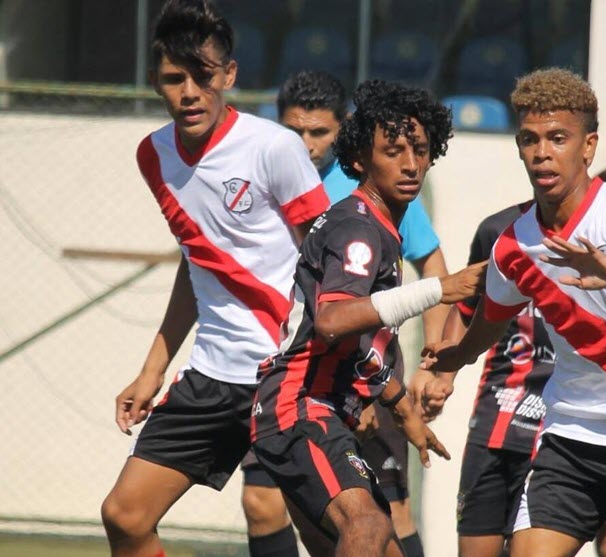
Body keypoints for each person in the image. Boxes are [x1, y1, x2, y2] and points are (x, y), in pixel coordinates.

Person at [421, 68, 606, 557]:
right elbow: (492, 319)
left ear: (588, 146)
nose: (542, 152)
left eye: (558, 138)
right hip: (573, 438)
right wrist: (456, 358)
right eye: (530, 139)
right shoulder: (513, 245)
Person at [99, 2, 330, 557]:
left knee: (337, 535)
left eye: (203, 76)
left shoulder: (273, 147)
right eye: (173, 78)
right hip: (211, 376)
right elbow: (197, 260)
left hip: (286, 374)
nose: (189, 93)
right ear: (155, 81)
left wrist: (356, 372)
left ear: (228, 75)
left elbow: (332, 265)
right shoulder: (153, 156)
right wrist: (152, 370)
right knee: (125, 517)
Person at [250, 79, 485, 557]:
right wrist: (441, 288)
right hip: (301, 407)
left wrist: (402, 409)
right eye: (393, 151)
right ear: (359, 158)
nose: (410, 163)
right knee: (368, 526)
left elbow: (357, 345)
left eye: (420, 150)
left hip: (325, 410)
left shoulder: (381, 227)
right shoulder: (358, 227)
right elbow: (332, 320)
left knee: (381, 545)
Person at [424, 201, 555, 557]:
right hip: (496, 418)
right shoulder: (499, 230)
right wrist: (444, 377)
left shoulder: (604, 239)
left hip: (559, 430)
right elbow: (466, 309)